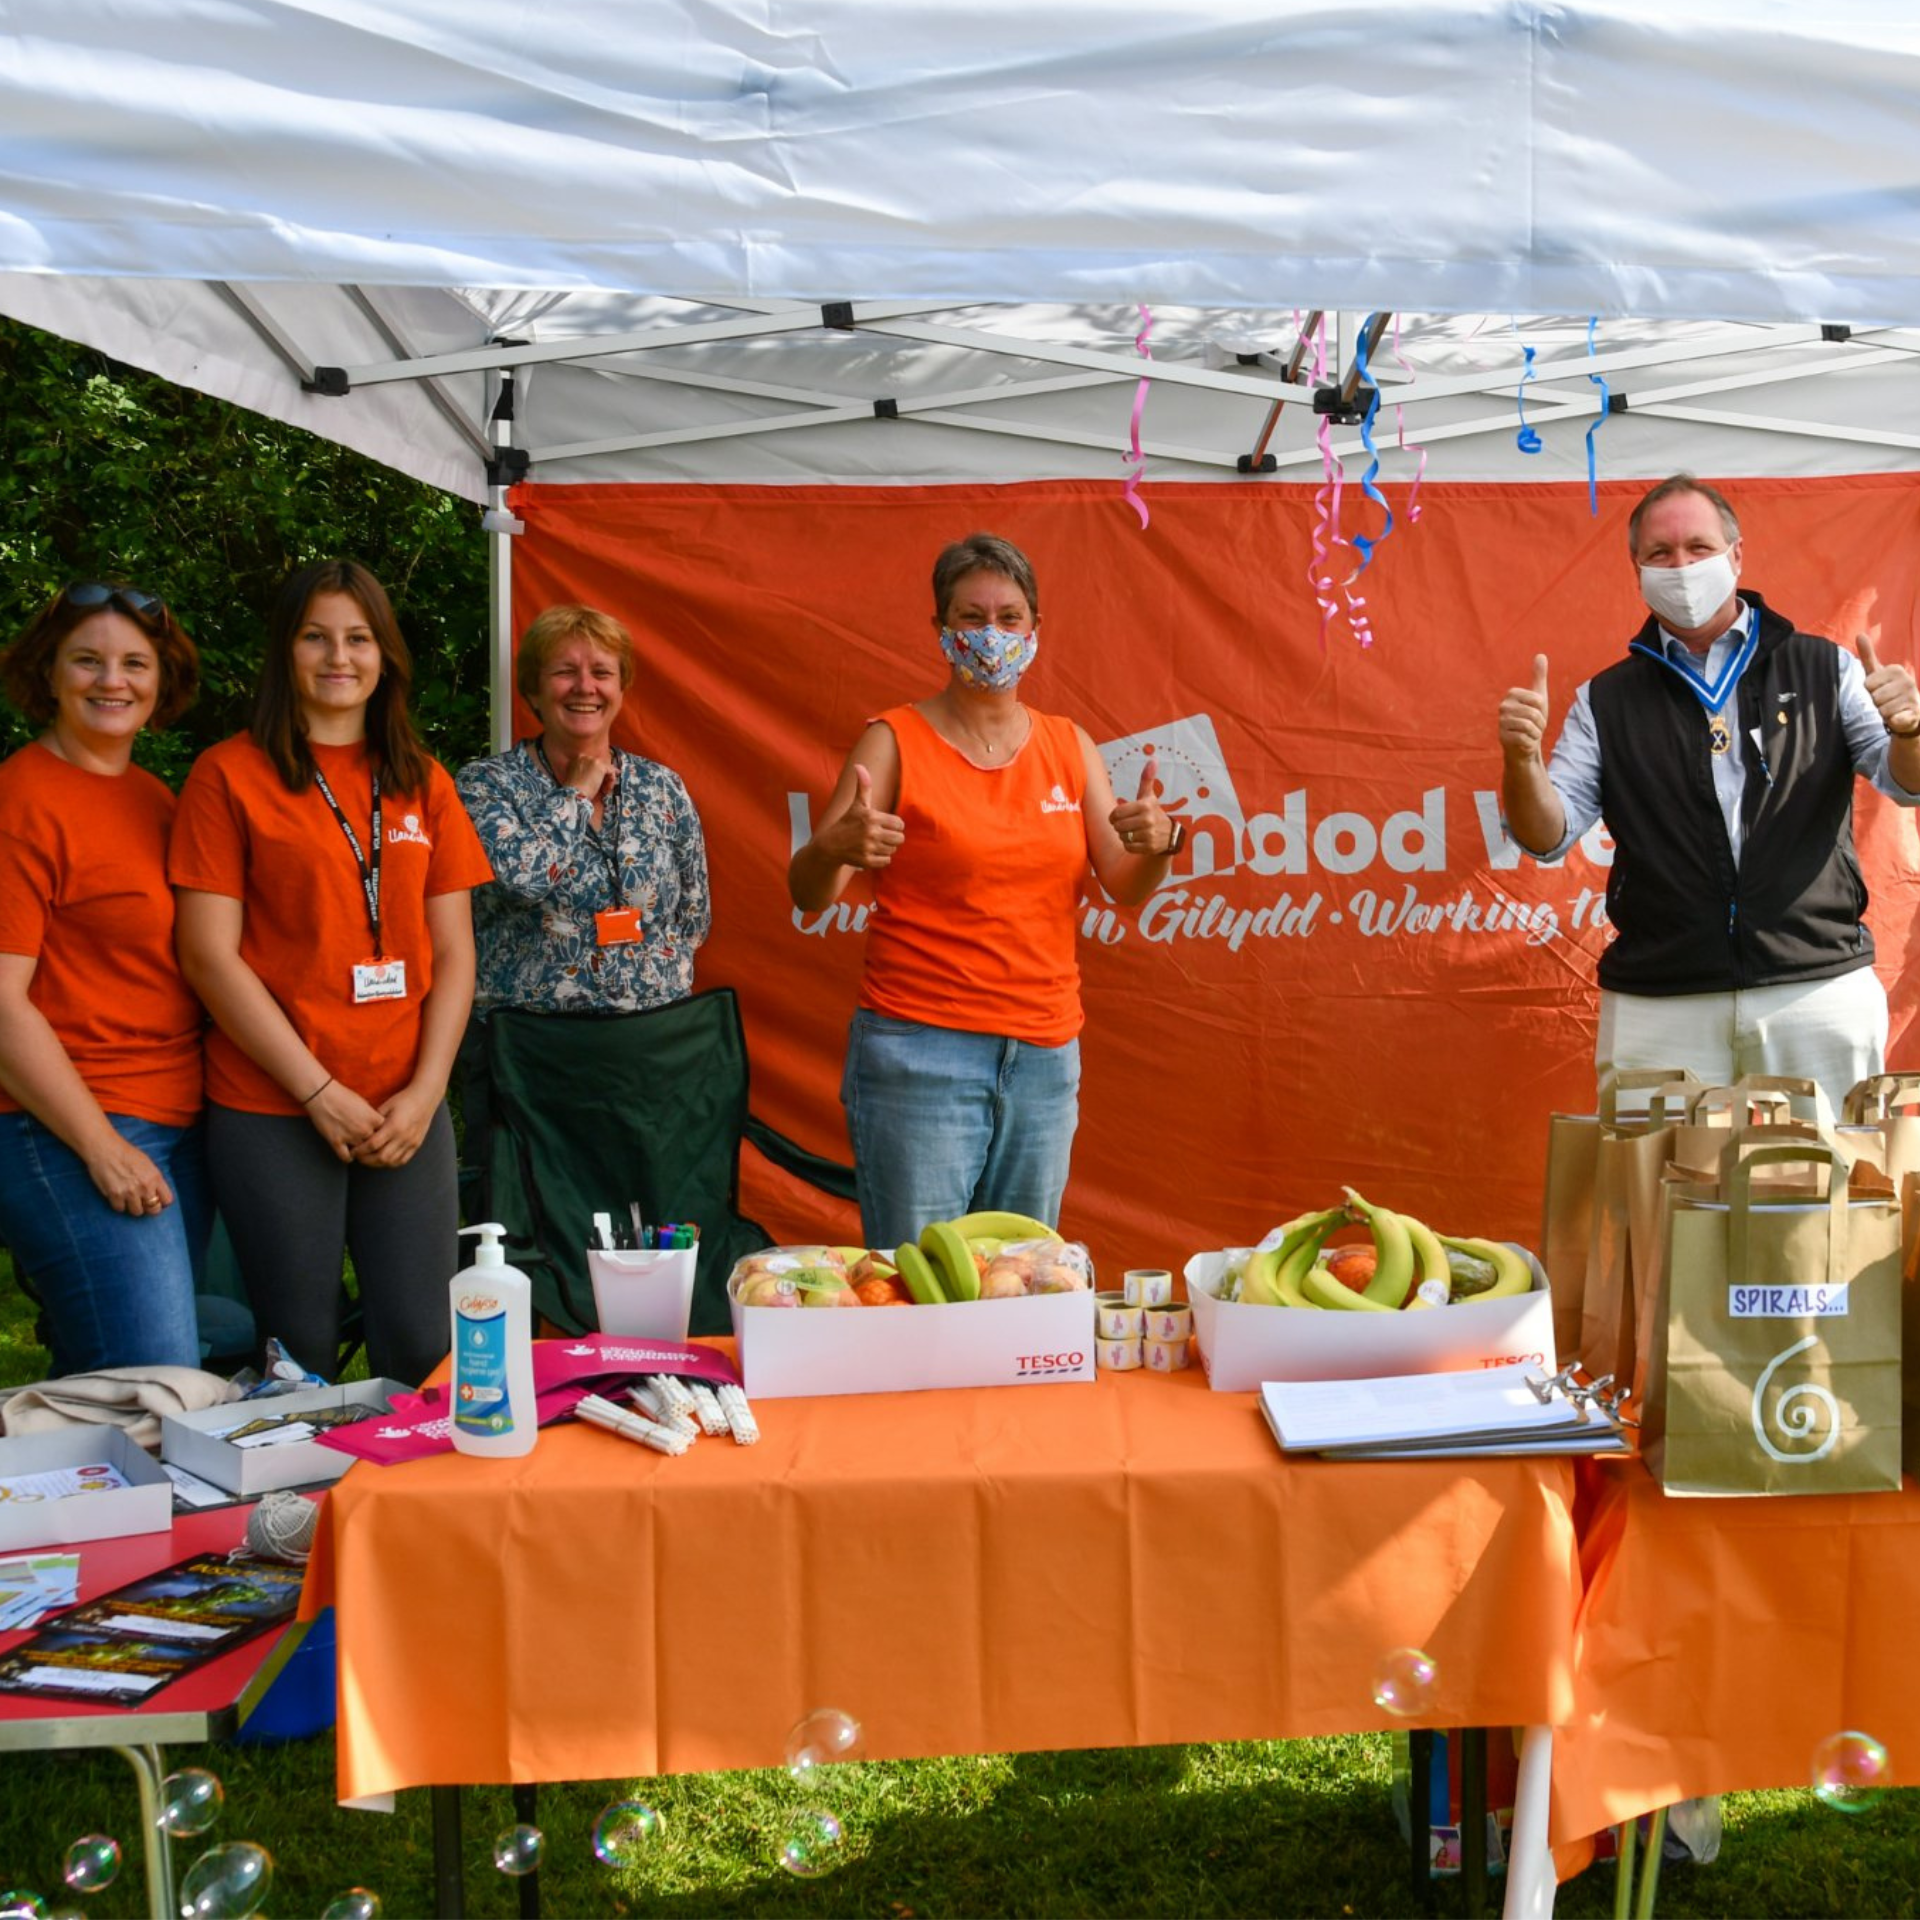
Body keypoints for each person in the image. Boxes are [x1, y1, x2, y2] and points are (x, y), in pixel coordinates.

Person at [787, 531, 1182, 1249]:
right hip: (918, 1053)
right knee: (920, 1290)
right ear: (939, 629)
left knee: (1022, 1285)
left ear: (1036, 629)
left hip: (1043, 1058)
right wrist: (829, 848)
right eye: (971, 618)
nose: (990, 635)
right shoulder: (893, 741)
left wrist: (1161, 846)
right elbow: (811, 892)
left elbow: (1126, 884)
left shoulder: (1070, 745)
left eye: (1009, 618)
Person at [1498, 472, 1920, 1105]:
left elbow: (1905, 782)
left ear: (1736, 555)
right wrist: (1520, 760)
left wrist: (1911, 732)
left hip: (1814, 988)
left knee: (1829, 1195)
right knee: (1655, 1198)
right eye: (1661, 554)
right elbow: (1546, 837)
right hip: (1659, 1001)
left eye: (1699, 548)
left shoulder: (1823, 667)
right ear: (1635, 567)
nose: (1682, 566)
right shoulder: (1605, 700)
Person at [171, 560, 492, 1387]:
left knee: (424, 1344)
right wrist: (316, 1091)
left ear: (385, 654)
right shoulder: (228, 775)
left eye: (358, 637)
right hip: (275, 1103)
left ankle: (407, 1516)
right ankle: (301, 1519)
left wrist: (426, 1094)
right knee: (296, 1348)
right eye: (315, 636)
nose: (337, 656)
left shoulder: (424, 780)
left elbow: (455, 954)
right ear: (286, 650)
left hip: (403, 1107)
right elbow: (210, 954)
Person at [0, 582, 211, 1373]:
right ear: (47, 673)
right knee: (153, 1385)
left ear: (161, 681)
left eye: (133, 663)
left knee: (117, 1381)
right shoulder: (21, 799)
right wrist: (100, 1146)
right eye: (86, 661)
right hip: (67, 1123)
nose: (111, 681)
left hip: (174, 1117)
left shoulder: (153, 796)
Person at [455, 604, 711, 1015]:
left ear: (622, 687)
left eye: (602, 672)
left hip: (651, 1044)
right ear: (533, 690)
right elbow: (523, 881)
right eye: (564, 672)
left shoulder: (662, 787)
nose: (585, 687)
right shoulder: (486, 784)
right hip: (531, 1048)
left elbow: (693, 919)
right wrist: (575, 793)